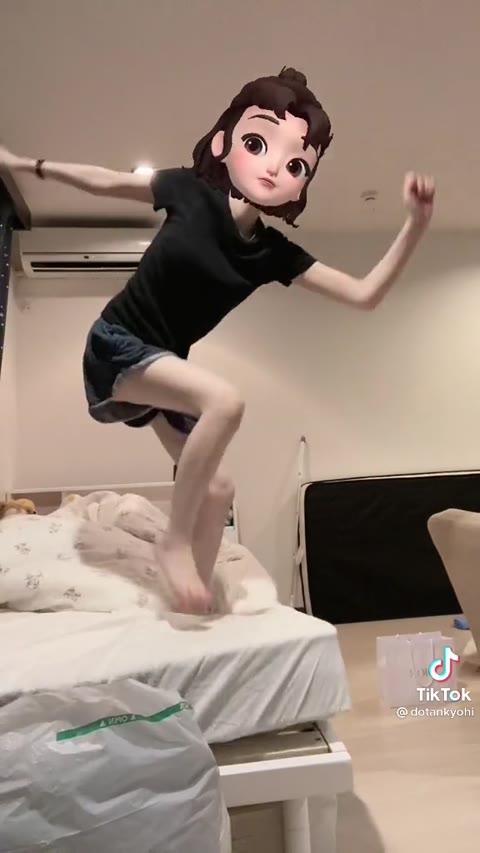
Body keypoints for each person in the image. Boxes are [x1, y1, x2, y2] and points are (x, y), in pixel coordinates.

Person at [0, 67, 435, 614]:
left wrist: (415, 225)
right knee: (225, 402)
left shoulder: (272, 253)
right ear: (223, 144)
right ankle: (175, 544)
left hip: (160, 363)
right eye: (257, 144)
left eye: (296, 165)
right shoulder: (191, 190)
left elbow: (365, 295)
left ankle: (194, 596)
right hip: (115, 344)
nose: (273, 167)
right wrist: (29, 166)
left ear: (302, 183)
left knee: (220, 488)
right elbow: (105, 181)